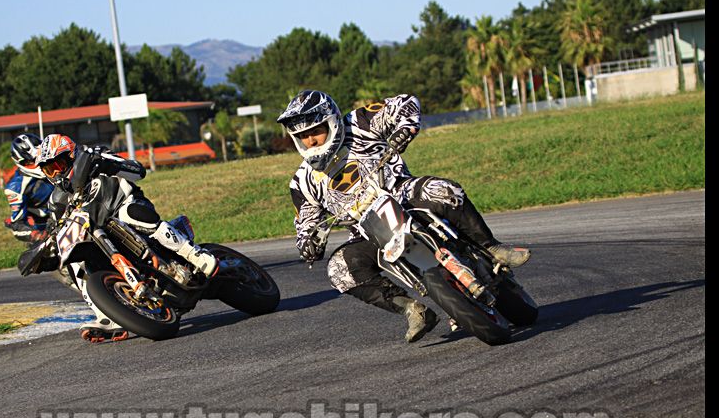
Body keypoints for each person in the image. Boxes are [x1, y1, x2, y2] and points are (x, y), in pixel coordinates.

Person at [278, 90, 531, 343]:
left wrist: (405, 126)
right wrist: (309, 244)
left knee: (444, 190)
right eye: (302, 136)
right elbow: (305, 224)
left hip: (404, 195)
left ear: (330, 122)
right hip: (367, 232)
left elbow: (405, 103)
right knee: (338, 270)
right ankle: (411, 308)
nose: (310, 141)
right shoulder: (302, 183)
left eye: (314, 132)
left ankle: (491, 247)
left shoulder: (358, 122)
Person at [34, 133, 218, 342]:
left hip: (126, 208)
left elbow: (137, 170)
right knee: (75, 264)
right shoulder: (56, 200)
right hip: (99, 235)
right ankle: (107, 315)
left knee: (129, 214)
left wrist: (105, 165)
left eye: (58, 164)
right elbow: (55, 227)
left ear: (71, 155)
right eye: (49, 169)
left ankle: (194, 254)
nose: (56, 172)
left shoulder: (96, 156)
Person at [3, 133, 55, 243]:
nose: (39, 163)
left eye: (39, 157)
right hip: (49, 228)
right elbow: (17, 224)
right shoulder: (15, 187)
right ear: (22, 162)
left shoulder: (56, 163)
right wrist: (36, 235)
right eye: (32, 161)